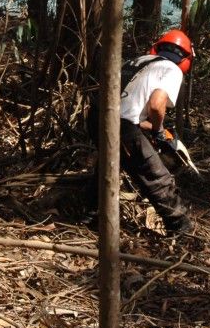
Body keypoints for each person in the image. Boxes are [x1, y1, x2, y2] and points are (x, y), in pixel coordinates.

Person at [84, 29, 196, 236]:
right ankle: (181, 227)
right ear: (186, 58)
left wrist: (157, 130)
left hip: (96, 116)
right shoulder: (172, 69)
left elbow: (128, 109)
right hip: (119, 124)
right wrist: (159, 132)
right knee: (155, 174)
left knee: (109, 163)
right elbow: (156, 105)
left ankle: (89, 214)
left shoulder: (139, 61)